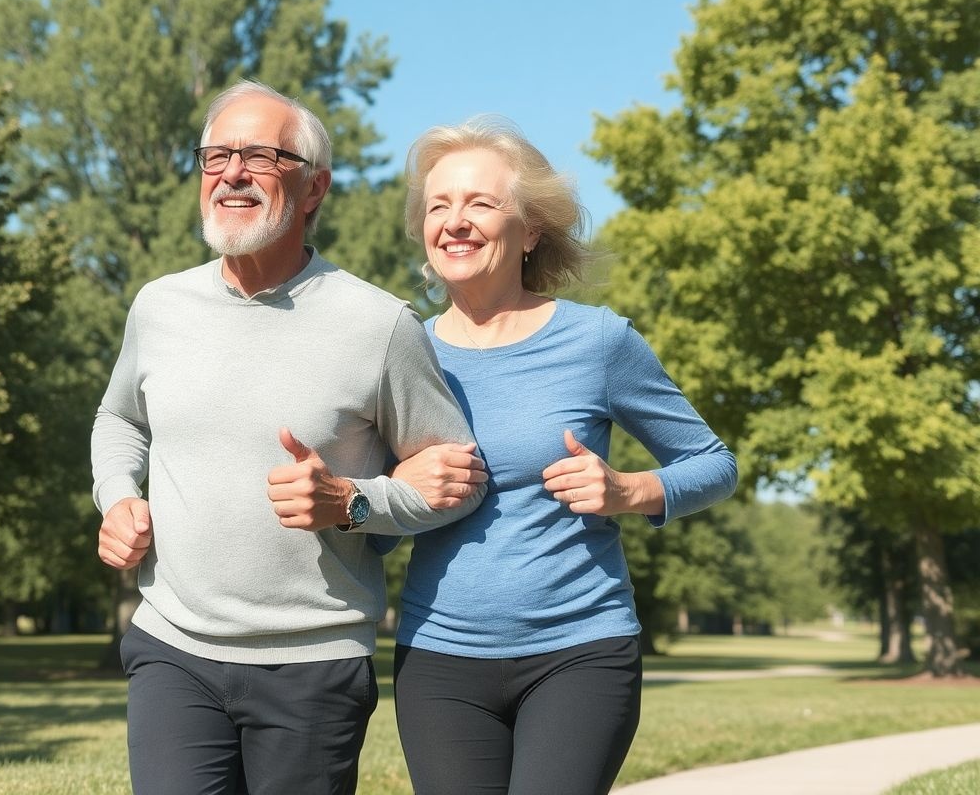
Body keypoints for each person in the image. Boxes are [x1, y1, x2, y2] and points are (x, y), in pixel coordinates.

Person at [90, 81, 487, 795]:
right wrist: (117, 496)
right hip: (172, 648)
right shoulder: (158, 306)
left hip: (314, 663)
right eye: (216, 156)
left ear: (314, 188)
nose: (232, 173)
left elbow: (460, 479)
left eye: (260, 157)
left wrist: (353, 503)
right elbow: (119, 419)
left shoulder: (379, 325)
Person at [389, 116, 737, 795]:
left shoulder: (598, 342)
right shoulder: (403, 353)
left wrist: (628, 491)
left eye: (480, 203)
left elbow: (714, 463)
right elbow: (372, 526)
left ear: (531, 228)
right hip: (437, 659)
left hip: (580, 652)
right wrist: (395, 483)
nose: (455, 222)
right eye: (438, 206)